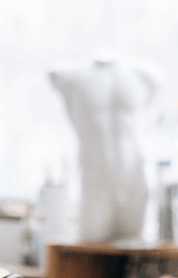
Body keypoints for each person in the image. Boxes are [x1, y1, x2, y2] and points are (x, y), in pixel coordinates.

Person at [49, 57, 158, 243]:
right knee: (91, 241)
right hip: (95, 175)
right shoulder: (72, 77)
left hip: (134, 172)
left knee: (135, 241)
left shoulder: (143, 76)